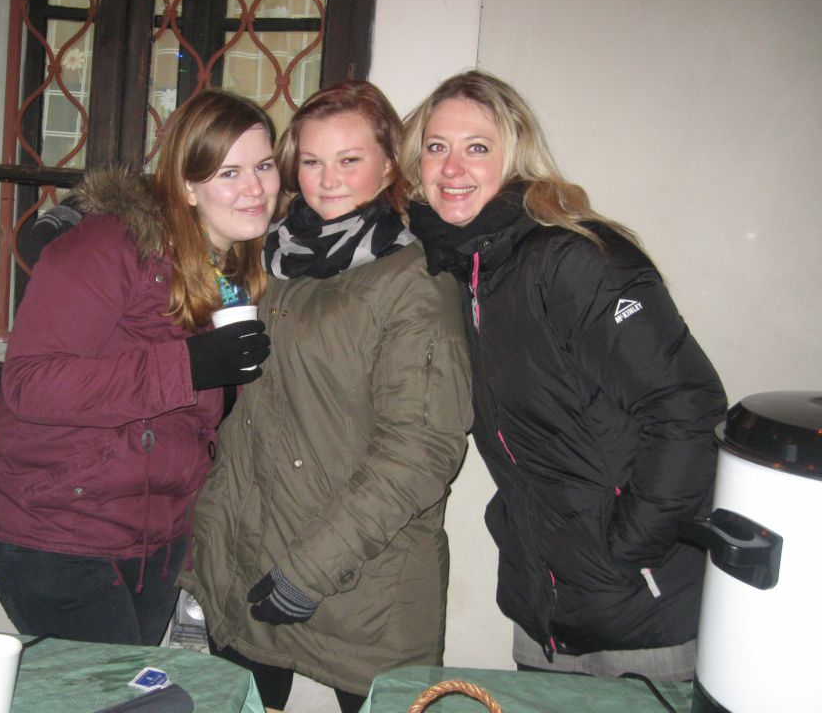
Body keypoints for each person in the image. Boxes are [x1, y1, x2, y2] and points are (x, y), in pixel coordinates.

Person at [401, 70, 727, 680]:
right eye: (436, 146)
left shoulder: (573, 258)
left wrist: (624, 550)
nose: (451, 168)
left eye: (477, 147)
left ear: (516, 157)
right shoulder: (462, 270)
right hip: (543, 607)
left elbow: (688, 407)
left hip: (642, 608)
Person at [179, 80, 473, 712]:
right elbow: (179, 218)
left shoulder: (416, 277)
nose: (328, 179)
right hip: (250, 559)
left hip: (364, 580)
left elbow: (423, 450)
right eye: (311, 161)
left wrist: (310, 571)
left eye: (349, 159)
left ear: (389, 163)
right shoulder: (272, 252)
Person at [0, 89, 280, 646]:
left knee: (132, 686)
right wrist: (190, 365)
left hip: (154, 535)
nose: (255, 188)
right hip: (58, 529)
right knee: (108, 690)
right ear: (187, 185)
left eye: (264, 166)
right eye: (229, 172)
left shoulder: (231, 267)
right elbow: (30, 383)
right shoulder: (111, 243)